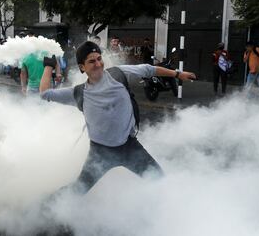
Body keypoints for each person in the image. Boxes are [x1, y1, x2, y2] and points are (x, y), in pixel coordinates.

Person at [39, 41, 197, 194]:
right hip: (100, 153)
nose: (98, 64)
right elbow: (45, 94)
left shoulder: (119, 74)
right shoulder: (79, 93)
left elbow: (149, 69)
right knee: (78, 190)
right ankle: (48, 208)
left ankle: (165, 211)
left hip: (130, 147)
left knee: (160, 180)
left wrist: (178, 74)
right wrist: (48, 66)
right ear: (82, 67)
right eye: (91, 61)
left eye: (99, 59)